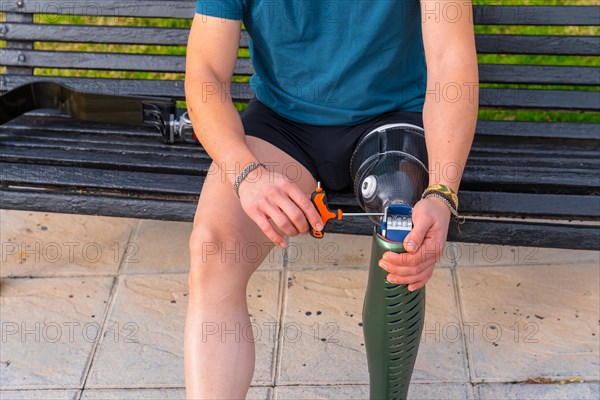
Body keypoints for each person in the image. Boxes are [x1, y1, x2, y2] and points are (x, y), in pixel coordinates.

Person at [184, 1, 478, 398]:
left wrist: (442, 192)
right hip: (282, 123)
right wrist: (245, 173)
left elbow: (450, 61)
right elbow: (205, 73)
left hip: (391, 115)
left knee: (403, 229)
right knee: (213, 249)